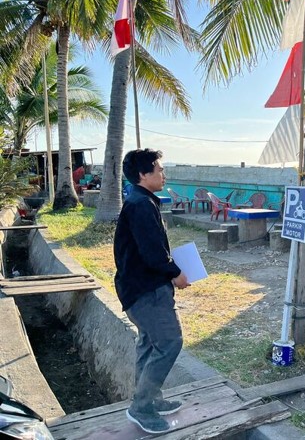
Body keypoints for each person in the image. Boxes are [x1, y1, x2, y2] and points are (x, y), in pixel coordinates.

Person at [114, 148, 190, 434]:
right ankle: (142, 407)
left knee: (149, 343)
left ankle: (150, 398)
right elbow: (152, 253)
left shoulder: (140, 201)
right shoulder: (141, 205)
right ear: (143, 174)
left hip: (137, 287)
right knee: (170, 341)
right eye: (159, 169)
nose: (163, 174)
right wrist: (175, 273)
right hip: (146, 290)